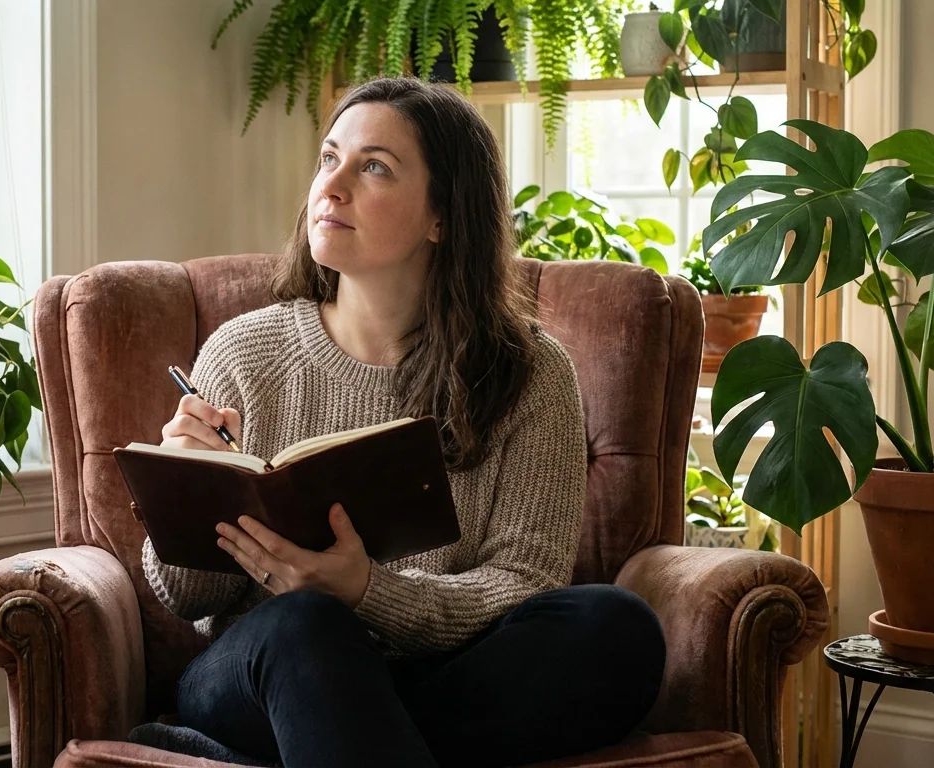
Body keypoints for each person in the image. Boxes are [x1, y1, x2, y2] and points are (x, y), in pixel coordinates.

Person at [134, 77, 666, 768]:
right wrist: (187, 485)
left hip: (447, 675)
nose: (332, 185)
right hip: (268, 669)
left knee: (615, 627)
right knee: (308, 626)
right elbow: (184, 599)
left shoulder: (531, 373)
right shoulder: (244, 350)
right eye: (329, 158)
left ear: (441, 215)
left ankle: (338, 739)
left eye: (373, 166)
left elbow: (524, 583)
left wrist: (367, 590)